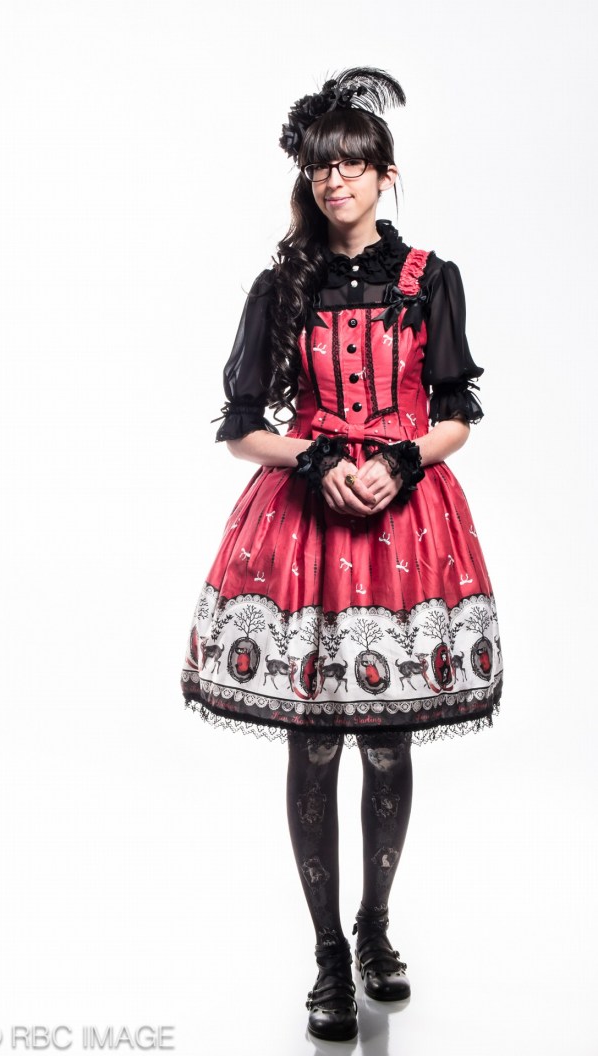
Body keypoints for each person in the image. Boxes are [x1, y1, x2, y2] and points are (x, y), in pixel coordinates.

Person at [180, 67, 503, 1043]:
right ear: (309, 178)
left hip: (406, 523)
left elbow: (456, 411)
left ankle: (375, 928)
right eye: (323, 169)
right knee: (313, 740)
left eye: (354, 167)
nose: (337, 183)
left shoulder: (429, 279)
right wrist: (314, 456)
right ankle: (326, 953)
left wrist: (401, 459)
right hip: (306, 526)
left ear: (384, 175)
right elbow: (241, 426)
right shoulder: (281, 287)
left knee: (388, 739)